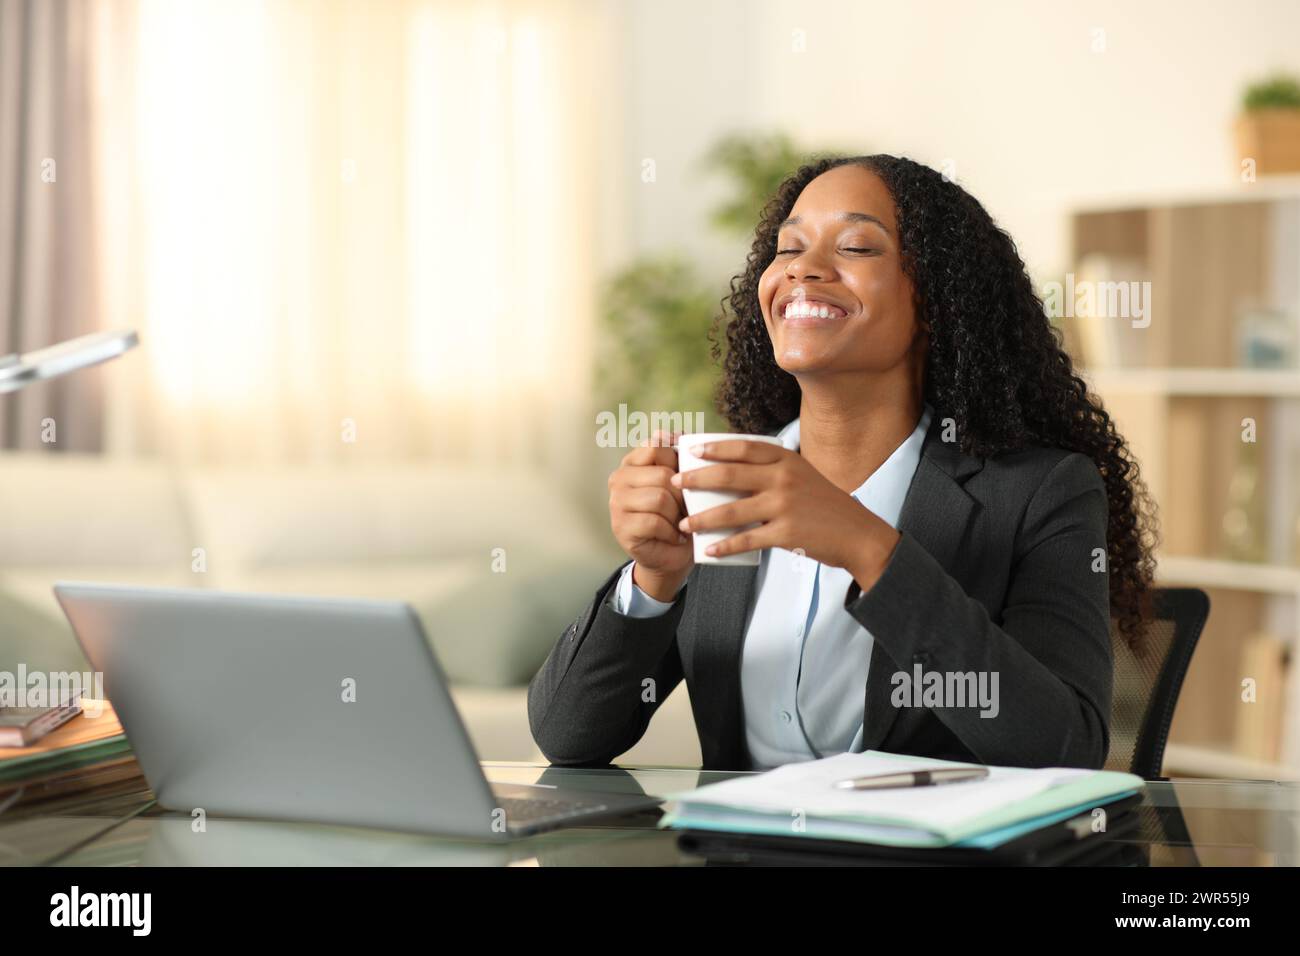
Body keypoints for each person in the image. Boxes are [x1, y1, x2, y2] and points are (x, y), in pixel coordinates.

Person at [529, 154, 1158, 771]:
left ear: (937, 300)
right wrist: (652, 581)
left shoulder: (1038, 492)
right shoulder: (727, 482)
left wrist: (871, 550)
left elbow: (1067, 748)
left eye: (856, 247)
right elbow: (568, 735)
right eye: (788, 248)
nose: (805, 269)